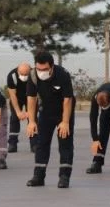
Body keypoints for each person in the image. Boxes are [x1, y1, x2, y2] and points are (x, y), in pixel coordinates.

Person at [25, 51, 75, 189]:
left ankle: (64, 177)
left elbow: (67, 100)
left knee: (65, 144)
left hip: (63, 112)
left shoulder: (62, 74)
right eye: (39, 68)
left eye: (45, 69)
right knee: (41, 144)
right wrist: (32, 121)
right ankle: (38, 176)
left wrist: (65, 122)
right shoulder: (33, 75)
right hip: (45, 112)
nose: (41, 72)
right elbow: (31, 98)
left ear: (51, 67)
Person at [6, 62, 37, 153]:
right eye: (21, 74)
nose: (23, 76)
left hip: (31, 97)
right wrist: (18, 112)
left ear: (30, 71)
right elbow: (12, 95)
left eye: (26, 74)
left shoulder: (35, 75)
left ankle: (34, 144)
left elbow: (37, 94)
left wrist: (31, 111)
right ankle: (12, 144)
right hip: (17, 97)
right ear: (17, 70)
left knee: (33, 119)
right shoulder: (12, 76)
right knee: (14, 118)